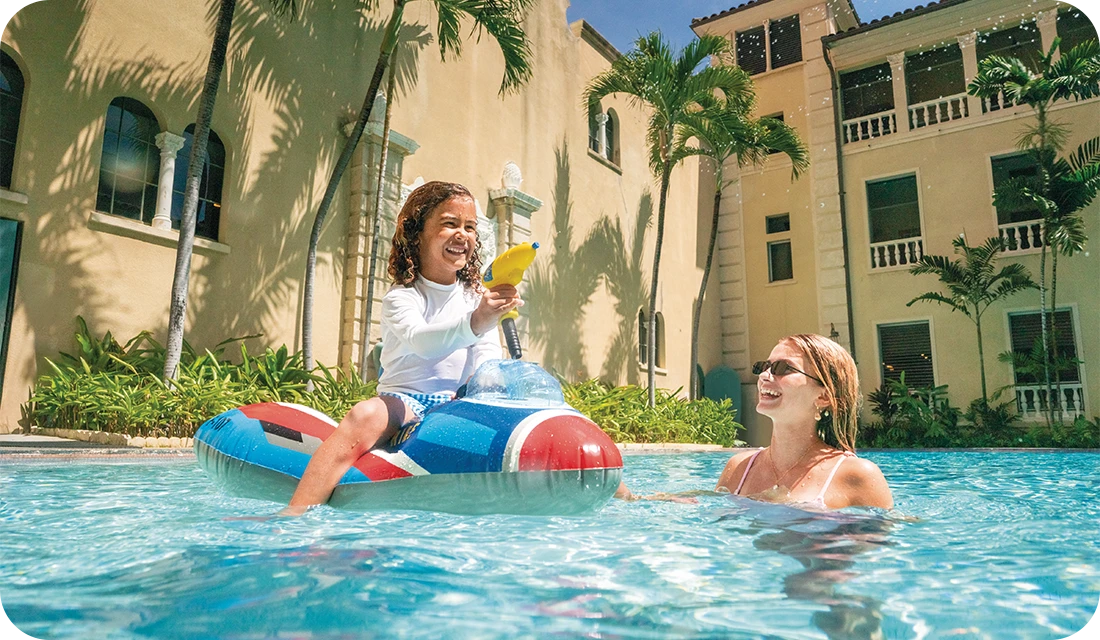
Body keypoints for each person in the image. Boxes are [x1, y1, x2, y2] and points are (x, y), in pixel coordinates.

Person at [282, 181, 521, 515]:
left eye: (470, 227)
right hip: (406, 402)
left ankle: (619, 495)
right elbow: (423, 341)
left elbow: (486, 354)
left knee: (530, 402)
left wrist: (487, 388)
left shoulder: (474, 296)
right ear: (417, 233)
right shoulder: (402, 297)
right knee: (365, 414)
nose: (462, 234)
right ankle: (295, 512)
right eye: (449, 224)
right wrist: (477, 320)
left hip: (461, 401)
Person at [715, 334, 893, 510]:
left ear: (824, 396)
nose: (764, 376)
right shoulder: (739, 467)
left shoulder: (857, 475)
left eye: (784, 368)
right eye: (764, 367)